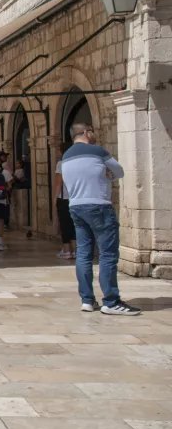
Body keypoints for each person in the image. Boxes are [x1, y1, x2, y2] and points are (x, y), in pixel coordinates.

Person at [61, 123, 138, 315]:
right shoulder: (97, 151)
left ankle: (87, 300)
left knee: (84, 254)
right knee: (108, 254)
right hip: (98, 206)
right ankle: (111, 302)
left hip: (76, 207)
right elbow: (119, 171)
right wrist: (108, 176)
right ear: (86, 133)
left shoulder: (65, 156)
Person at [54, 144, 76, 259]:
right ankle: (76, 250)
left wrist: (54, 198)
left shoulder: (61, 164)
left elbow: (59, 183)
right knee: (75, 225)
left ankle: (67, 251)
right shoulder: (77, 163)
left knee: (64, 224)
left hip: (64, 198)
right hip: (76, 198)